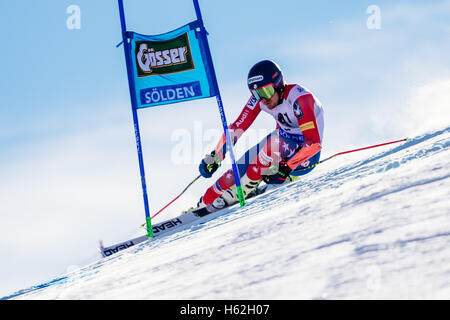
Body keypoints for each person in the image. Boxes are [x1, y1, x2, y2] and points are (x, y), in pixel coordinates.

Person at [197, 60, 325, 211]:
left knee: (273, 144)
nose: (263, 99)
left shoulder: (300, 99)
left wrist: (286, 168)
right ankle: (202, 205)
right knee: (235, 172)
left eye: (266, 92)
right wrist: (216, 156)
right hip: (280, 143)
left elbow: (313, 143)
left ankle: (244, 189)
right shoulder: (259, 100)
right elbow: (238, 127)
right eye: (257, 94)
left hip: (304, 157)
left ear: (279, 85)